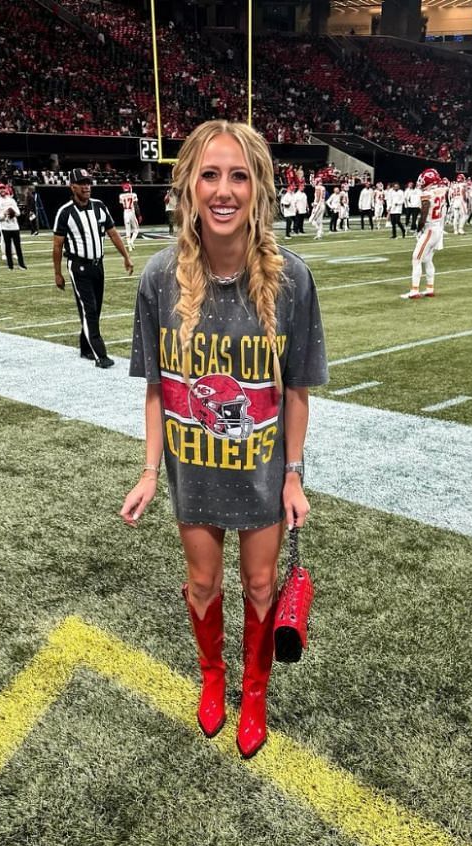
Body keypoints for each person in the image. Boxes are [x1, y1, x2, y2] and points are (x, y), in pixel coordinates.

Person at [120, 119, 327, 760]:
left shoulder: (291, 278)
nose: (224, 190)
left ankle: (254, 693)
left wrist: (293, 473)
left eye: (238, 175)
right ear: (188, 185)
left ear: (258, 186)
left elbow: (296, 390)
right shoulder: (159, 277)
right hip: (195, 471)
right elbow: (157, 386)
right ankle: (214, 677)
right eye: (209, 174)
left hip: (262, 473)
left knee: (261, 587)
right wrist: (151, 470)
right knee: (203, 584)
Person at [51, 169, 136, 368]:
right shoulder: (65, 212)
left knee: (94, 310)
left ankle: (85, 348)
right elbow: (57, 245)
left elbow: (113, 234)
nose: (86, 186)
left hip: (98, 265)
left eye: (88, 182)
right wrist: (57, 273)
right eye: (81, 183)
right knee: (89, 309)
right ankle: (100, 355)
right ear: (72, 187)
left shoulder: (99, 207)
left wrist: (126, 257)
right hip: (78, 266)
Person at [406, 167, 446, 300]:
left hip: (429, 228)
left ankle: (414, 290)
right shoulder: (442, 190)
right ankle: (429, 288)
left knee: (416, 258)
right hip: (438, 228)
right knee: (428, 259)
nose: (422, 183)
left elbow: (424, 212)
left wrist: (419, 227)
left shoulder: (427, 194)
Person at [0, 183, 25, 269]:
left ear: (5, 189)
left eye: (3, 188)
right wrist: (4, 214)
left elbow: (18, 213)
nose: (2, 190)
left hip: (14, 226)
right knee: (6, 243)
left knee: (18, 245)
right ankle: (8, 262)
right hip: (4, 226)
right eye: (0, 189)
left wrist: (12, 213)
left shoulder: (11, 200)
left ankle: (20, 263)